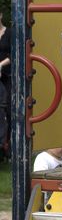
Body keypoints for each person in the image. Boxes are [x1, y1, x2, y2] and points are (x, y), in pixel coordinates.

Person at [0, 12, 11, 160]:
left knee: (8, 111)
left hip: (7, 76)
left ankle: (6, 147)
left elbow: (14, 53)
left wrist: (0, 65)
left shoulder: (10, 33)